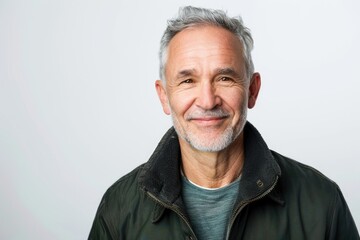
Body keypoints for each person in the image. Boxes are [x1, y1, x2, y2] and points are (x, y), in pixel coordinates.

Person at [88, 6, 359, 240]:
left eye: (225, 78)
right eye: (187, 81)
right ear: (164, 96)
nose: (207, 101)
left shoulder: (322, 202)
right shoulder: (118, 209)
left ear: (252, 90)